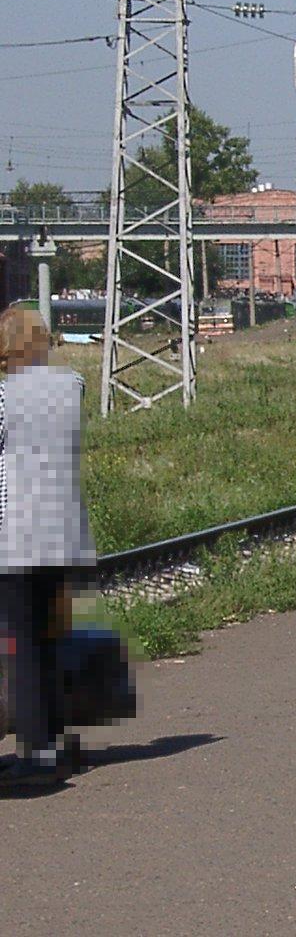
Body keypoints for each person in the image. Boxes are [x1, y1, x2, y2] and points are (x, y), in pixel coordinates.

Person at [0, 306, 95, 788]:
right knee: (50, 639)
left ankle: (36, 753)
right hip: (63, 532)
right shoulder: (71, 385)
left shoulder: (1, 394)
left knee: (20, 646)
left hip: (14, 534)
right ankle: (55, 742)